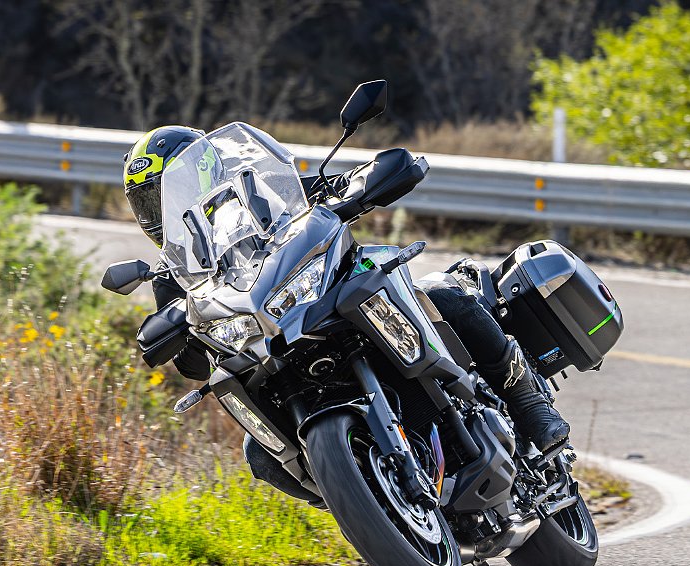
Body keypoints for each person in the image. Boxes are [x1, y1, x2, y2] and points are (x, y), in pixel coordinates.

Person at [124, 126, 570, 504]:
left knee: (444, 293)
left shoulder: (261, 193)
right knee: (259, 454)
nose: (157, 209)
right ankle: (367, 502)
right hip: (275, 356)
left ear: (202, 169)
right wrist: (178, 340)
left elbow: (327, 191)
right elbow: (193, 363)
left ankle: (528, 403)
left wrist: (364, 183)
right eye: (146, 201)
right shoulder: (173, 277)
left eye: (162, 193)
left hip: (330, 301)